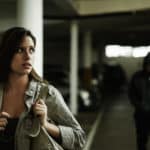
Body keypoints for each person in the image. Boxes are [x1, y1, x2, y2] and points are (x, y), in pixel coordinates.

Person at [0, 27, 86, 150]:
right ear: (6, 53)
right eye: (20, 50)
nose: (28, 56)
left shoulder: (47, 93)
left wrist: (45, 124)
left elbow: (80, 139)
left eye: (31, 50)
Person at [128, 52, 150, 150]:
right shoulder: (137, 77)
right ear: (145, 64)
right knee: (141, 140)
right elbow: (131, 94)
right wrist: (139, 105)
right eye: (148, 64)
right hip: (141, 114)